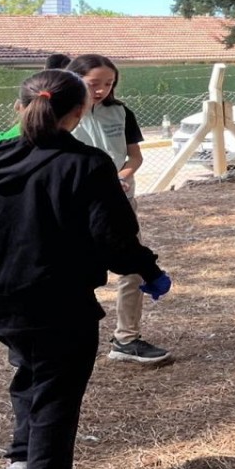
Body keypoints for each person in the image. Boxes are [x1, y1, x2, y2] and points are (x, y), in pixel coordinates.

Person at [0, 69, 171, 469]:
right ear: (79, 114)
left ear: (19, 107)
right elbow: (114, 239)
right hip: (59, 299)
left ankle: (23, 462)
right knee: (57, 391)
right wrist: (150, 270)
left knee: (32, 372)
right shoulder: (87, 164)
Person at [65, 54, 171, 365]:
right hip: (76, 207)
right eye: (93, 84)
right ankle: (68, 337)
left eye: (108, 84)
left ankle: (127, 339)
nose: (100, 90)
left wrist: (120, 177)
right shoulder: (62, 113)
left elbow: (134, 157)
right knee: (74, 269)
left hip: (120, 200)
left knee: (133, 266)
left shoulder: (121, 113)